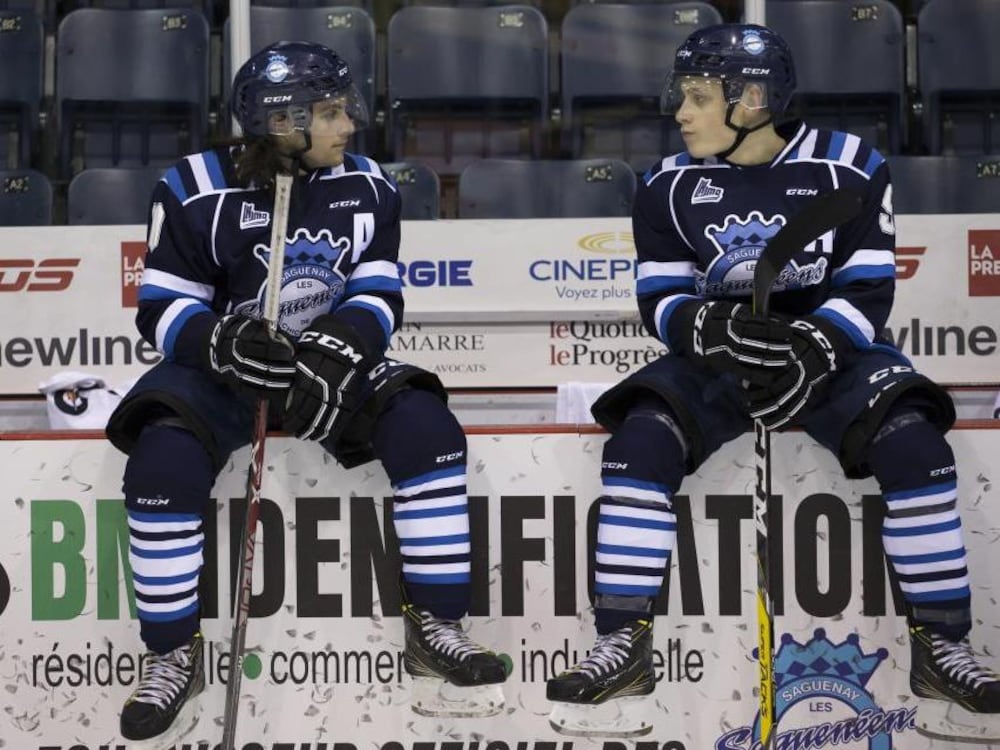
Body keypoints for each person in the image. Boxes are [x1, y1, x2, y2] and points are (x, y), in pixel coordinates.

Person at [545, 23, 1000, 743]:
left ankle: (943, 647)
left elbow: (868, 291)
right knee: (638, 441)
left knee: (915, 444)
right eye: (683, 95)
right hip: (720, 355)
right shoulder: (666, 184)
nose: (681, 112)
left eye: (699, 96)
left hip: (834, 352)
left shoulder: (851, 167)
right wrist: (712, 330)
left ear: (752, 99)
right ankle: (622, 643)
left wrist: (814, 347)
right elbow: (660, 299)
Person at [105, 41, 507, 743]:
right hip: (223, 373)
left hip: (328, 365)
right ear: (281, 120)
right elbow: (161, 307)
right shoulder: (193, 186)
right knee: (162, 463)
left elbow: (379, 293)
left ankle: (438, 625)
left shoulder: (369, 185)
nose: (348, 125)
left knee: (428, 431)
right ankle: (170, 654)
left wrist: (340, 343)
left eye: (345, 109)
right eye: (329, 113)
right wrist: (221, 342)